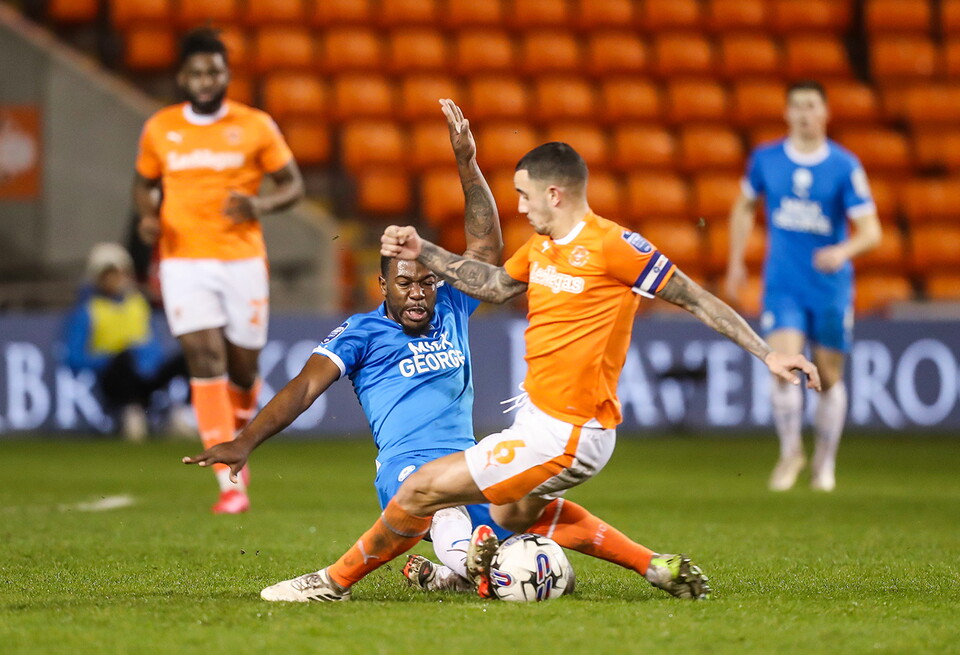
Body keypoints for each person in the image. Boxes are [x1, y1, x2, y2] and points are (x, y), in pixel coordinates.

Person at [189, 116, 822, 603]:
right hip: (537, 425)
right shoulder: (538, 251)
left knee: (422, 493)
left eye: (522, 194)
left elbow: (695, 296)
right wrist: (427, 249)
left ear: (553, 192)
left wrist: (768, 353)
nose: (518, 205)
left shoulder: (615, 248)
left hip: (571, 428)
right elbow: (492, 281)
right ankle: (641, 563)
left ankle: (335, 581)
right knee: (518, 514)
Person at [133, 27, 304, 513]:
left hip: (242, 260)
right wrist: (148, 215)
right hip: (183, 259)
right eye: (196, 72)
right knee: (204, 357)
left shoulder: (256, 126)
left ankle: (241, 428)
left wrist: (259, 203)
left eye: (214, 71)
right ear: (182, 77)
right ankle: (231, 486)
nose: (205, 80)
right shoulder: (160, 128)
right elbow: (142, 185)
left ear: (226, 74)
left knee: (243, 367)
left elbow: (293, 185)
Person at [724, 80, 882, 493]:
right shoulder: (766, 159)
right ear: (787, 113)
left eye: (811, 106)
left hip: (829, 287)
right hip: (783, 285)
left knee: (828, 378)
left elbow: (871, 231)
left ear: (825, 112)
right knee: (784, 368)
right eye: (796, 106)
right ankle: (791, 451)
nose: (804, 114)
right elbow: (742, 206)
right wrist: (736, 260)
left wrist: (842, 251)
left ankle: (824, 464)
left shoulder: (844, 166)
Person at [62, 243, 187, 441]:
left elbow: (154, 344)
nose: (115, 279)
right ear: (97, 278)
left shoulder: (138, 304)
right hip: (114, 377)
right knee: (123, 359)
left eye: (118, 273)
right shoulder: (88, 310)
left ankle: (183, 413)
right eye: (109, 274)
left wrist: (144, 359)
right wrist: (108, 359)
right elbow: (73, 358)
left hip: (144, 374)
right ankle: (131, 414)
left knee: (187, 358)